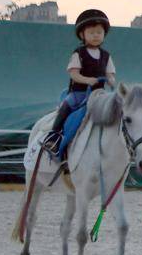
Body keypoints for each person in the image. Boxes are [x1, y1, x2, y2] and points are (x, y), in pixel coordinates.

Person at [43, 9, 116, 155]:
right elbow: (73, 74)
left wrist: (111, 81)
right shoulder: (79, 53)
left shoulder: (106, 56)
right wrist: (88, 80)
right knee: (67, 105)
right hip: (79, 93)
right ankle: (54, 135)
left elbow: (110, 74)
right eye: (91, 32)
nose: (96, 36)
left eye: (99, 32)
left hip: (99, 95)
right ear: (82, 35)